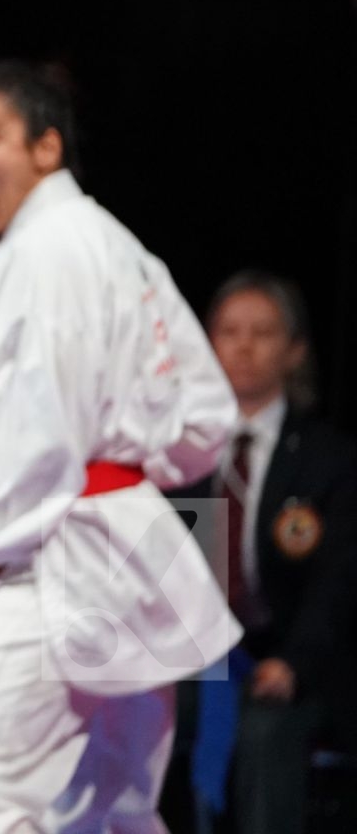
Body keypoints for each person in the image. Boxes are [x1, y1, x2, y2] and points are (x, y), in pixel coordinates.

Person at [0, 59, 242, 832]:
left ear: (46, 149)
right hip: (139, 557)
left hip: (59, 564)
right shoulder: (118, 247)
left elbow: (34, 445)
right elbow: (207, 416)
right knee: (110, 810)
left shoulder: (40, 254)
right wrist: (131, 468)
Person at [164, 270, 357, 833]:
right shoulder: (182, 454)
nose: (243, 346)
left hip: (287, 662)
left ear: (294, 350)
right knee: (135, 719)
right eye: (228, 331)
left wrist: (293, 662)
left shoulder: (327, 460)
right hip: (194, 660)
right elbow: (164, 568)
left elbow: (337, 583)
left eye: (263, 332)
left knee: (264, 734)